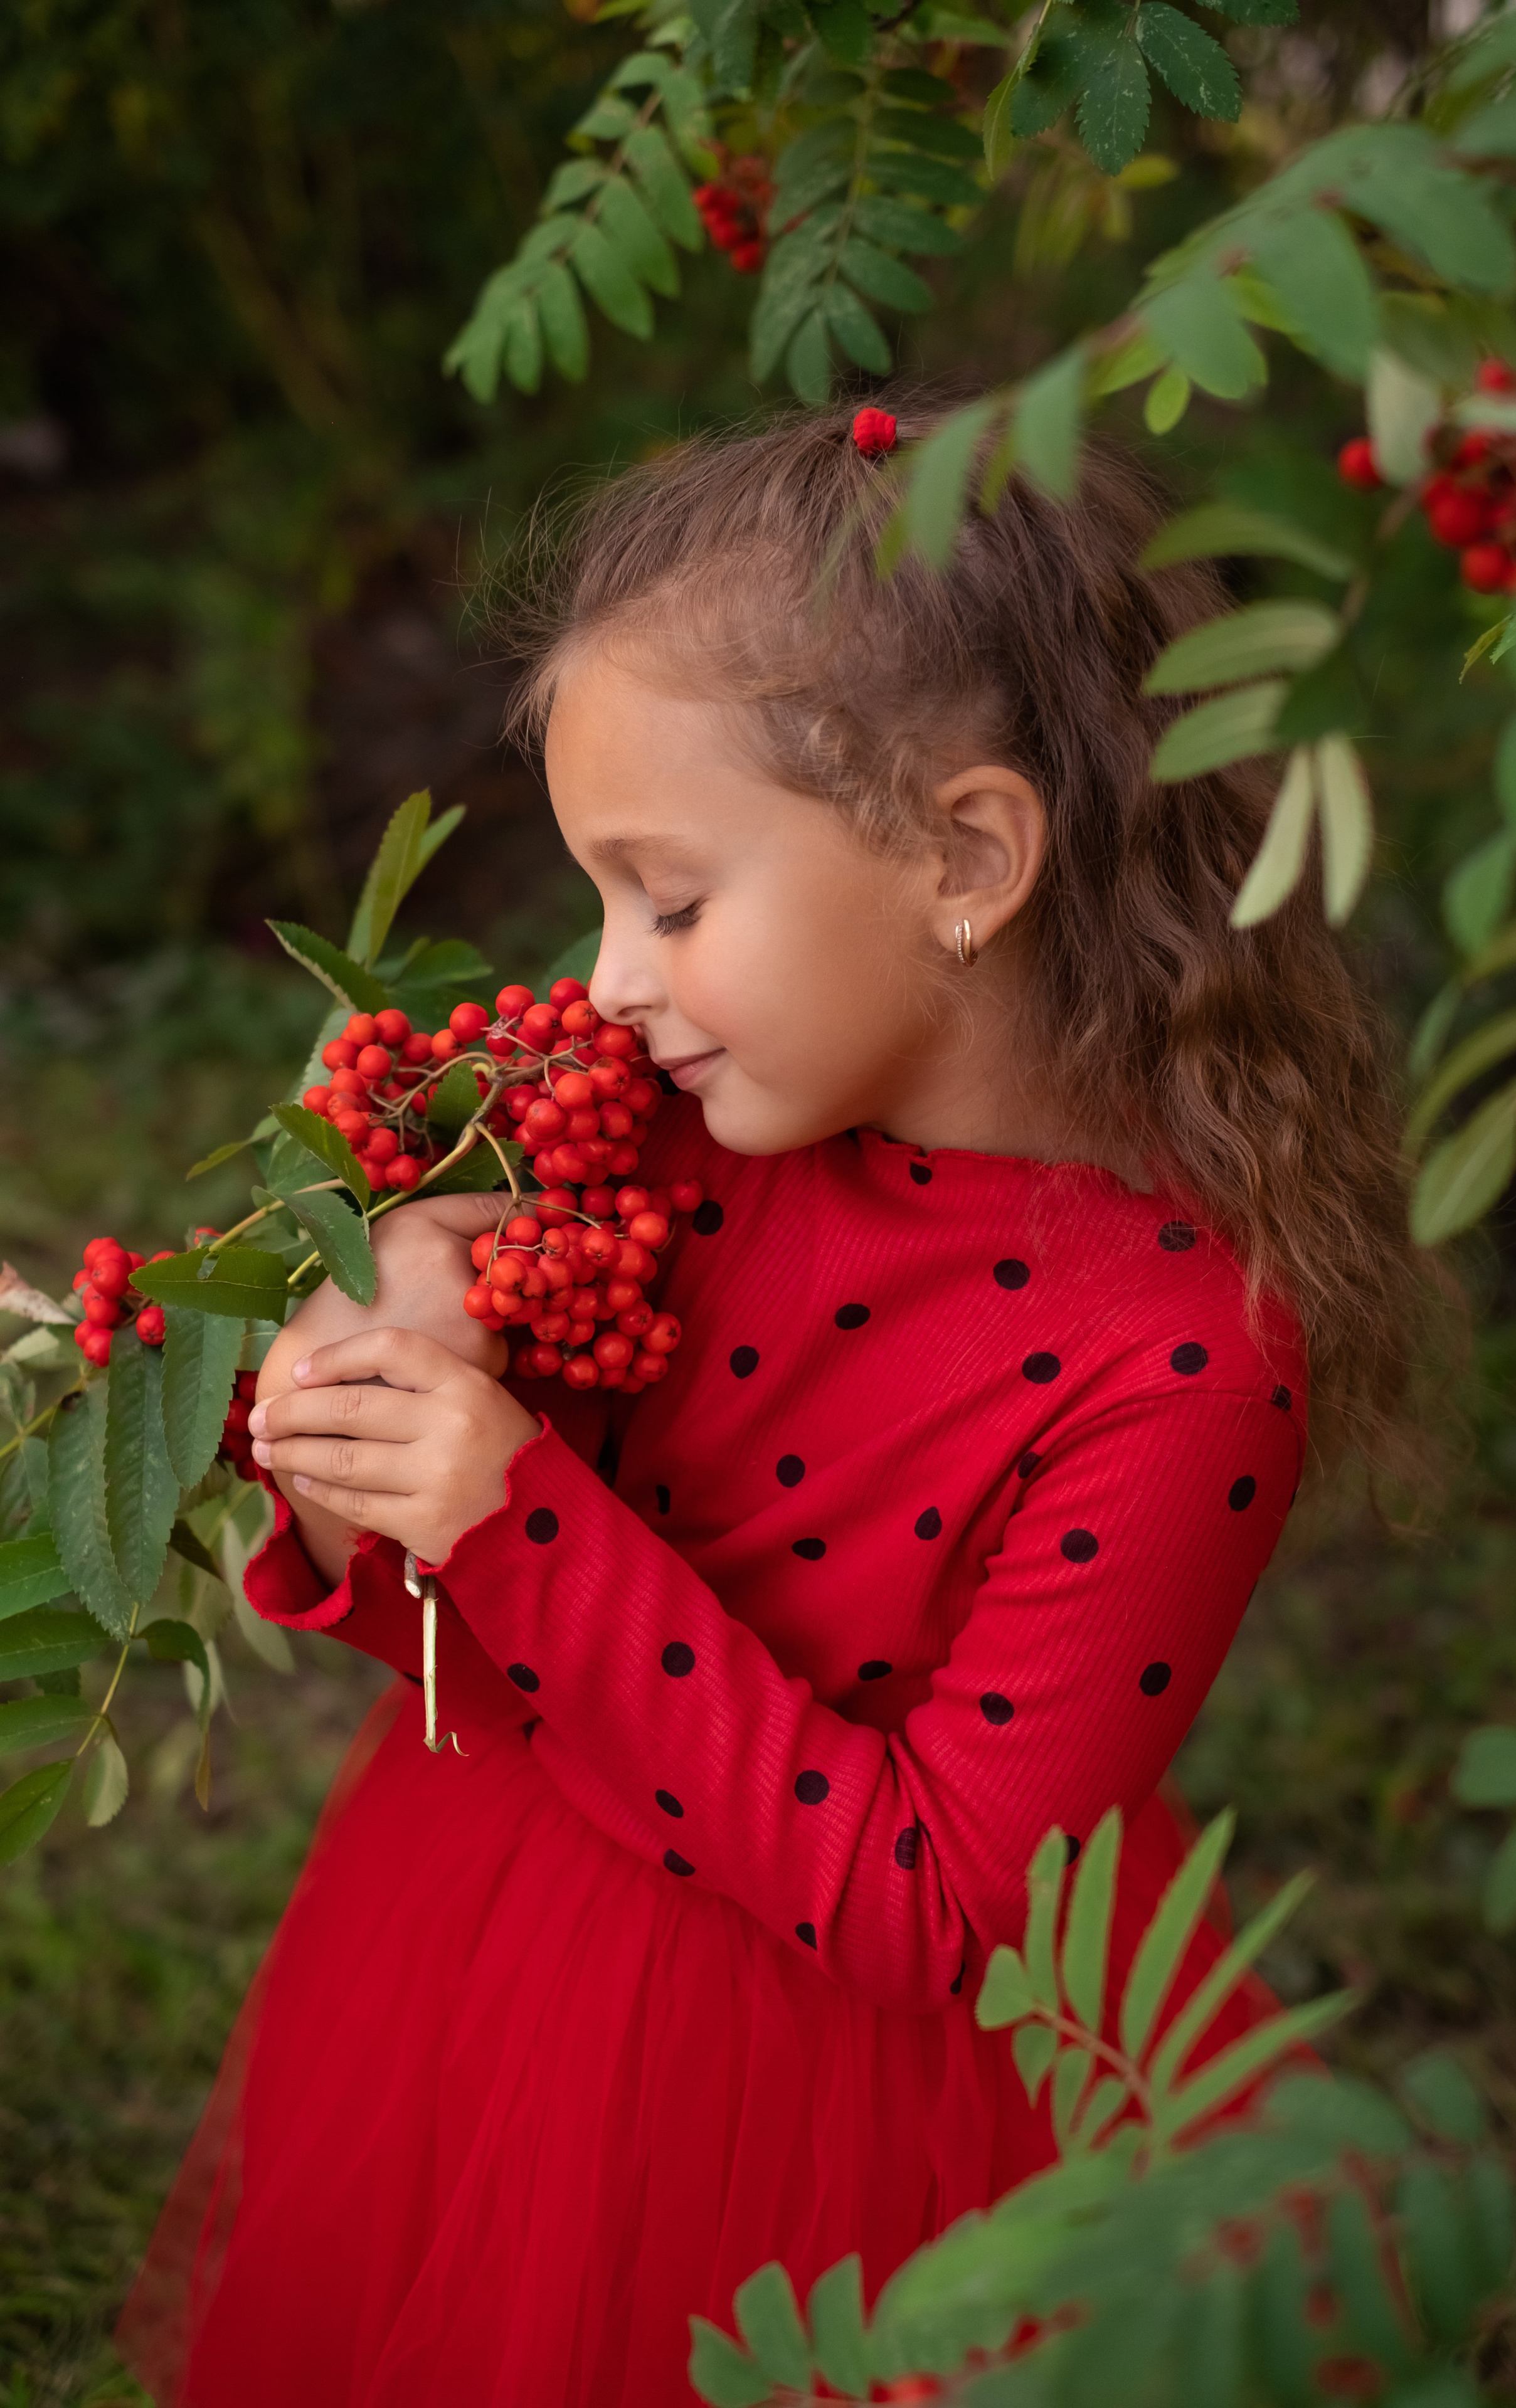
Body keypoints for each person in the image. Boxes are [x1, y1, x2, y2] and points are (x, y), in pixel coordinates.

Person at [119, 398, 1422, 2407]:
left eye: (670, 896)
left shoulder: (1185, 1360)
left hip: (859, 2076)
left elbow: (940, 1905)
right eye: (604, 900)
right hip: (514, 1933)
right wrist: (344, 1431)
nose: (611, 981)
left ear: (968, 858)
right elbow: (500, 1655)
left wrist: (515, 1514)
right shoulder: (674, 1134)